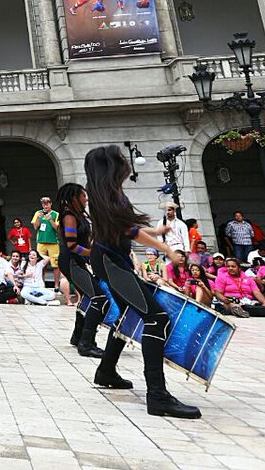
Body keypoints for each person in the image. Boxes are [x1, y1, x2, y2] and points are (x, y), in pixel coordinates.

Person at [85, 144, 201, 419]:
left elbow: (127, 227)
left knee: (128, 314)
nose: (126, 163)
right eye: (121, 160)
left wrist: (156, 230)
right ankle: (157, 395)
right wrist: (167, 250)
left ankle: (106, 370)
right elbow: (129, 231)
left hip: (111, 259)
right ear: (112, 166)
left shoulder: (105, 193)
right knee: (156, 318)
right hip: (112, 261)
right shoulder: (107, 195)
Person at [58, 181, 110, 359]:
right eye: (83, 195)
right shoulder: (69, 216)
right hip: (71, 261)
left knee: (90, 297)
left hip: (76, 261)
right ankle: (86, 343)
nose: (85, 198)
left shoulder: (78, 215)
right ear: (74, 198)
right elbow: (72, 245)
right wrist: (92, 253)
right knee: (99, 299)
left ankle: (77, 336)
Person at [30, 196, 61, 270]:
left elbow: (57, 229)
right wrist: (38, 218)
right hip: (41, 241)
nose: (45, 206)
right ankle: (41, 281)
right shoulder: (38, 213)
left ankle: (56, 282)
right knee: (41, 264)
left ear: (51, 204)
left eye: (47, 204)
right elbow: (35, 227)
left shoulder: (56, 214)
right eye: (44, 204)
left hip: (53, 242)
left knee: (55, 265)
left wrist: (50, 220)